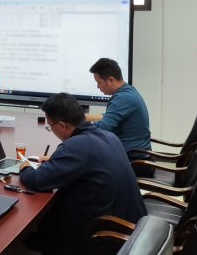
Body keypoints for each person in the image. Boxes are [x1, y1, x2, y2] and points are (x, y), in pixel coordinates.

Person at [19, 93, 147, 255]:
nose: (51, 130)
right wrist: (58, 160)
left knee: (51, 210)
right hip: (131, 228)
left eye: (50, 126)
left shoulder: (75, 146)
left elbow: (38, 180)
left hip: (106, 237)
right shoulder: (109, 136)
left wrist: (24, 167)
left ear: (62, 125)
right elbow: (86, 159)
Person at [86, 58, 153, 176]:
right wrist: (84, 117)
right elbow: (109, 117)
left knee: (84, 167)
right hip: (138, 159)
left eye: (99, 82)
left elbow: (103, 128)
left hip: (134, 163)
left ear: (111, 80)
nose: (97, 87)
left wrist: (84, 124)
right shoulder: (128, 91)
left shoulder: (122, 98)